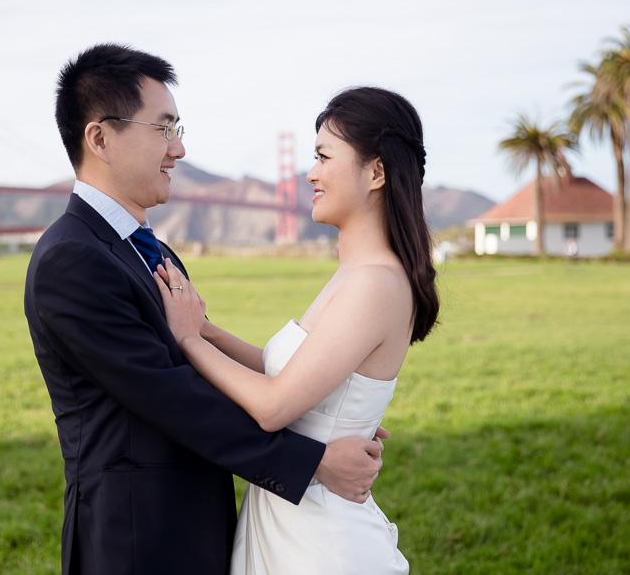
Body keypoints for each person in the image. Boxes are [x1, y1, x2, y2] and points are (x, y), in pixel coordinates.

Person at [23, 44, 387, 575]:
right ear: (100, 138)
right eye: (164, 129)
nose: (180, 148)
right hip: (135, 539)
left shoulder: (149, 249)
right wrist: (313, 461)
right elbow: (174, 397)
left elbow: (201, 373)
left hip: (196, 525)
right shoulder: (71, 259)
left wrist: (320, 421)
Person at [155, 86, 440, 574]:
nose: (310, 173)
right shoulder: (355, 272)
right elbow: (279, 368)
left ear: (376, 172)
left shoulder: (375, 282)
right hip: (293, 521)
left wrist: (186, 340)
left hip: (321, 542)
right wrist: (207, 332)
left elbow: (273, 405)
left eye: (324, 157)